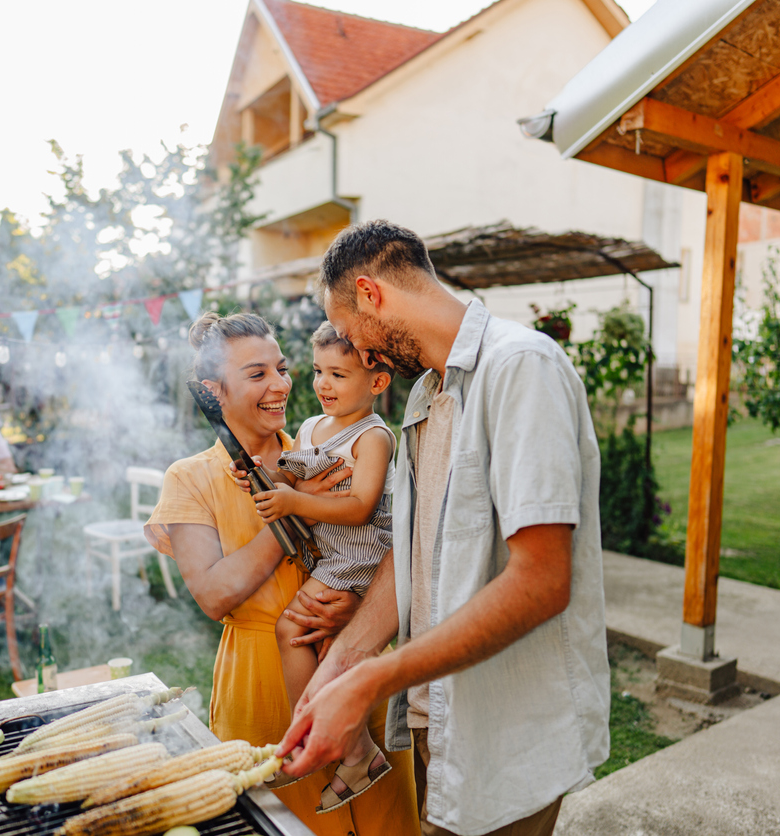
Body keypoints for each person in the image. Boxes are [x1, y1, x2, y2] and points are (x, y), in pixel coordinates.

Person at [277, 220, 610, 836]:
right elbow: (414, 551)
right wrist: (342, 665)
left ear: (371, 294)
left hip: (510, 732)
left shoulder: (521, 367)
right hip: (440, 721)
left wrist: (376, 676)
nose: (362, 357)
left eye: (353, 335)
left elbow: (542, 581)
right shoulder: (425, 394)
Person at [143, 311, 420, 836]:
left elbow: (387, 540)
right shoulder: (190, 479)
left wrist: (362, 605)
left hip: (357, 666)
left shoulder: (328, 447)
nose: (281, 386)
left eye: (282, 367)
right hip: (264, 691)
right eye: (256, 375)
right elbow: (214, 594)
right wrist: (293, 510)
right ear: (213, 390)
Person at [250, 321, 397, 812]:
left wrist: (292, 501)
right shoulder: (312, 427)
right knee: (324, 644)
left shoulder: (373, 437)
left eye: (338, 373)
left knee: (291, 629)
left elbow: (359, 506)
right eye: (317, 371)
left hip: (358, 554)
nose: (322, 384)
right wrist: (262, 474)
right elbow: (296, 470)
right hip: (326, 553)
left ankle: (310, 735)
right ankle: (358, 754)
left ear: (377, 382)